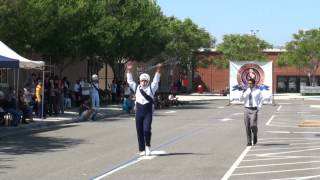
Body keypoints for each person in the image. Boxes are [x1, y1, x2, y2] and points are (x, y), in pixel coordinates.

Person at [126, 62, 162, 156]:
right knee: (139, 130)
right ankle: (141, 149)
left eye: (145, 80)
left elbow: (156, 80)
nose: (144, 82)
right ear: (140, 81)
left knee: (146, 129)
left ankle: (148, 146)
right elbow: (130, 81)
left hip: (148, 112)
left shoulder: (152, 88)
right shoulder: (137, 88)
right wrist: (129, 70)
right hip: (139, 111)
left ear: (148, 81)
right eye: (142, 80)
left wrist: (158, 70)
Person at [240, 78, 263, 146]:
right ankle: (249, 141)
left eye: (250, 83)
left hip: (254, 109)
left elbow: (261, 100)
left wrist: (258, 108)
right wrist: (243, 93)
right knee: (247, 126)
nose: (249, 84)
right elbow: (241, 99)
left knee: (253, 125)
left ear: (253, 84)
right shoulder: (246, 91)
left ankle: (255, 135)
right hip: (246, 109)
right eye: (248, 83)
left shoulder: (258, 91)